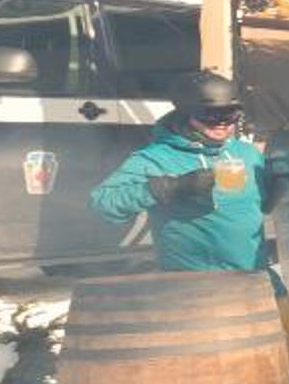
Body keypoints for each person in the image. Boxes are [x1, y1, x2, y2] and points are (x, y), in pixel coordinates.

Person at [89, 70, 274, 273]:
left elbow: (268, 201)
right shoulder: (156, 158)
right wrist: (171, 187)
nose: (222, 123)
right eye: (210, 115)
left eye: (231, 114)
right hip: (192, 282)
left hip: (254, 277)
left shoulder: (247, 153)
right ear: (185, 114)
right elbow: (102, 204)